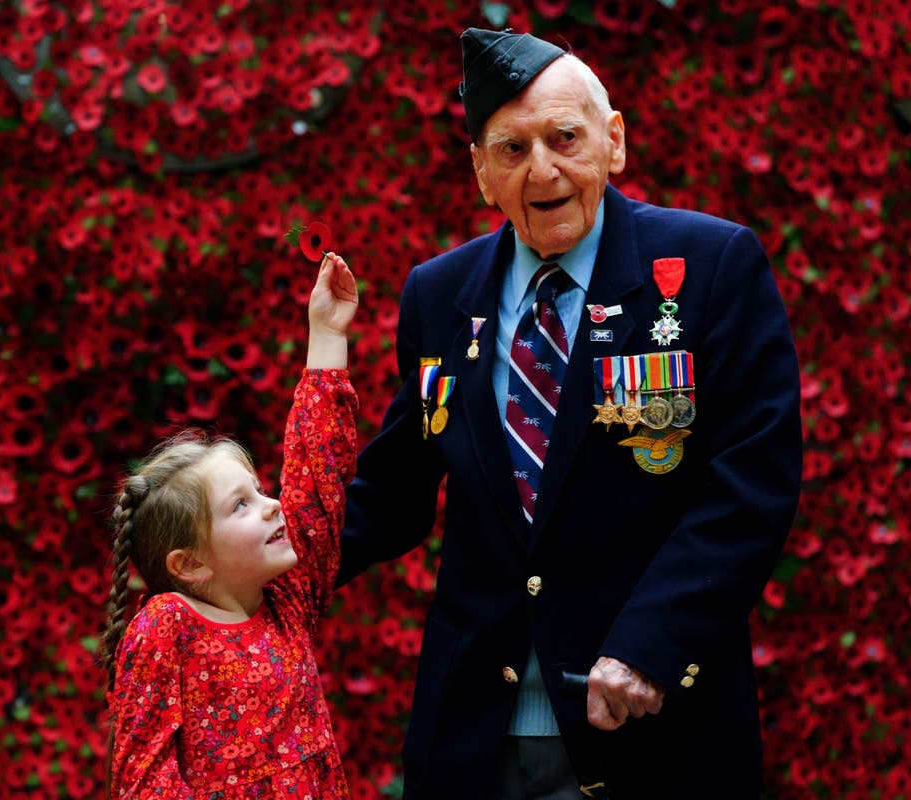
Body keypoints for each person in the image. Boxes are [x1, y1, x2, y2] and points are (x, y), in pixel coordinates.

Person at [337, 27, 802, 800]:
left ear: (612, 142)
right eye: (512, 150)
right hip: (475, 743)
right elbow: (392, 494)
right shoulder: (437, 297)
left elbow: (750, 481)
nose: (543, 170)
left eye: (564, 138)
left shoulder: (710, 268)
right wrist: (262, 552)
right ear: (481, 171)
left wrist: (652, 645)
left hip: (652, 730)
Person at [100, 252, 359, 799]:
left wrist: (327, 333)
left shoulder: (286, 601)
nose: (272, 506)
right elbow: (145, 782)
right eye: (240, 505)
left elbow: (317, 480)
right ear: (190, 564)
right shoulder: (166, 629)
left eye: (260, 491)